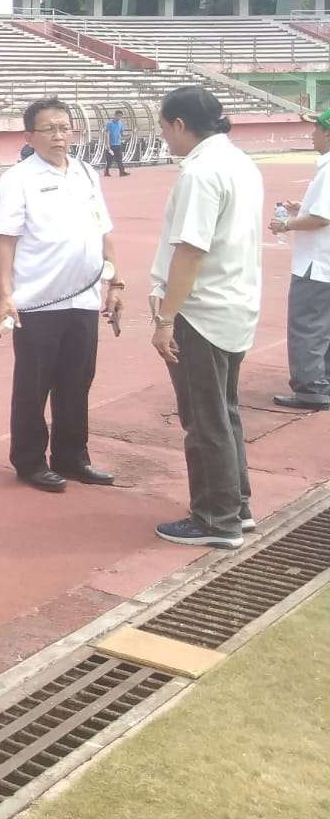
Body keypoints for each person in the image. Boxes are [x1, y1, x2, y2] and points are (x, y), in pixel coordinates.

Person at [150, 86, 264, 549]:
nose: (163, 137)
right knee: (224, 410)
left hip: (203, 310)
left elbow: (191, 251)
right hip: (234, 303)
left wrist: (164, 318)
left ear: (179, 124)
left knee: (204, 416)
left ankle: (216, 518)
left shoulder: (201, 172)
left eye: (163, 127)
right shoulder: (239, 162)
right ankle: (235, 503)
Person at [0, 99, 123, 494]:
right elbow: (5, 243)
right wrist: (4, 297)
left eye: (64, 127)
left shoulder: (85, 173)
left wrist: (116, 283)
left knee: (77, 381)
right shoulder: (17, 179)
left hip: (82, 300)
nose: (59, 135)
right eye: (48, 129)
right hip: (37, 303)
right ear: (29, 136)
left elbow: (104, 232)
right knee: (34, 385)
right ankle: (30, 460)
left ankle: (71, 456)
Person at [271, 109, 330, 410]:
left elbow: (321, 217)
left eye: (317, 129)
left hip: (317, 264)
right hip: (324, 263)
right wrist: (302, 207)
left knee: (307, 325)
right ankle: (322, 381)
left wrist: (286, 224)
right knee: (324, 327)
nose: (312, 134)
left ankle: (310, 387)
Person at [102, 110, 130, 177]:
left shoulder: (120, 123)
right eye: (118, 116)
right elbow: (107, 134)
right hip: (111, 145)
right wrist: (107, 144)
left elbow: (121, 133)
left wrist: (127, 136)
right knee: (109, 160)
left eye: (121, 116)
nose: (119, 118)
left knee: (119, 159)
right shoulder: (109, 123)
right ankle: (106, 171)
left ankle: (122, 172)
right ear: (115, 115)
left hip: (118, 144)